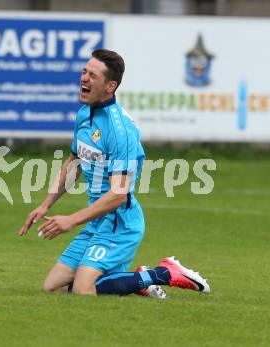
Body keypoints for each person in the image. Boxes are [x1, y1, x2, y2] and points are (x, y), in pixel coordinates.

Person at [18, 49, 210, 296]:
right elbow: (74, 162)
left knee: (82, 289)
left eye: (92, 75)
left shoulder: (121, 131)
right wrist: (46, 205)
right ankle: (135, 281)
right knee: (52, 287)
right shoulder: (83, 115)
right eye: (84, 72)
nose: (84, 79)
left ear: (110, 86)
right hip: (97, 220)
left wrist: (70, 220)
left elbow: (119, 195)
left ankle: (163, 273)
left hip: (120, 222)